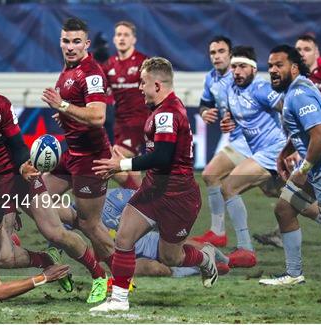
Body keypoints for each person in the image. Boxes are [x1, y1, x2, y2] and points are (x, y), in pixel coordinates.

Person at [0, 57, 108, 300]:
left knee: (56, 233)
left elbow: (18, 146)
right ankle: (47, 260)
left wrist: (24, 166)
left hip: (20, 178)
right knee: (3, 257)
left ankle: (99, 276)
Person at [90, 57, 218, 312]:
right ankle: (118, 300)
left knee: (171, 257)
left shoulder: (168, 113)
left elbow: (162, 156)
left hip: (178, 197)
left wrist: (122, 165)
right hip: (152, 189)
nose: (139, 87)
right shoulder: (160, 110)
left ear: (157, 85)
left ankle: (205, 258)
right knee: (124, 237)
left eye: (143, 82)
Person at [259, 45, 321, 286]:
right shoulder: (297, 87)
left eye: (278, 65)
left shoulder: (299, 94)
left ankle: (294, 274)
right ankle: (294, 275)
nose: (272, 70)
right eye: (270, 65)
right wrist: (286, 151)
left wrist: (303, 170)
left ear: (293, 68)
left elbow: (320, 136)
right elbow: (306, 131)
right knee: (284, 208)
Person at [40, 17, 115, 303]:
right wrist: (67, 113)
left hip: (92, 159)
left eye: (76, 42)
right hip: (71, 153)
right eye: (65, 41)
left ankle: (120, 279)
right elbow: (80, 110)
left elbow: (98, 116)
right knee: (35, 199)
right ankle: (61, 246)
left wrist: (62, 105)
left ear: (86, 44)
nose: (70, 47)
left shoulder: (92, 72)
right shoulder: (68, 70)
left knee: (90, 225)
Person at [215, 46, 290, 268]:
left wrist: (293, 145)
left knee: (228, 187)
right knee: (295, 200)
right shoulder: (232, 90)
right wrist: (228, 122)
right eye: (235, 66)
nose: (237, 71)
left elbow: (288, 110)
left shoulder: (261, 90)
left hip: (274, 151)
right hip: (260, 152)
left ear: (254, 70)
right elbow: (242, 118)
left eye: (243, 67)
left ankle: (245, 249)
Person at [58, 187, 231, 278]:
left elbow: (152, 209)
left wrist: (170, 234)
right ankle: (193, 270)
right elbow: (62, 237)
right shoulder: (75, 211)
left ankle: (229, 261)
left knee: (192, 247)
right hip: (120, 257)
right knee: (157, 269)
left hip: (145, 242)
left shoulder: (117, 197)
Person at [191, 36, 252, 249]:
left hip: (255, 141)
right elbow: (204, 104)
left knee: (289, 199)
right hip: (239, 141)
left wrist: (237, 119)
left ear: (230, 54)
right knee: (212, 175)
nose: (216, 56)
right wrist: (205, 112)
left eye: (221, 52)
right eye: (213, 53)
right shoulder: (211, 78)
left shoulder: (240, 76)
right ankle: (220, 233)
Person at [101, 21, 150, 190]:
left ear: (133, 39)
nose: (122, 38)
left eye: (126, 35)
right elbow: (99, 92)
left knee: (111, 161)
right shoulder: (109, 65)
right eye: (119, 35)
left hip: (141, 123)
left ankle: (141, 199)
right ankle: (141, 199)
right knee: (128, 168)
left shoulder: (144, 62)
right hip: (121, 125)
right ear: (114, 39)